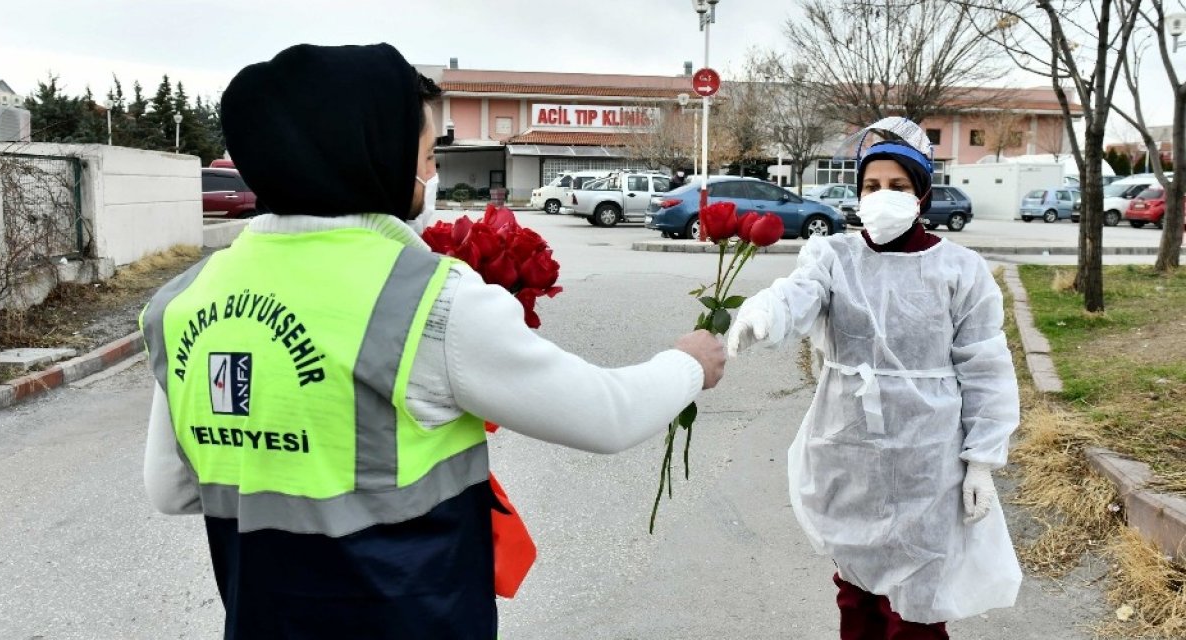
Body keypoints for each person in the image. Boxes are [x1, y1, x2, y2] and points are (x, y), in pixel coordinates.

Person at [139, 43, 725, 639]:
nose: (430, 175)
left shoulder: (180, 302)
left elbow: (170, 490)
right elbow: (607, 415)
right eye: (424, 155)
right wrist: (689, 364)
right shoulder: (428, 297)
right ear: (372, 156)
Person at [726, 118, 1021, 639]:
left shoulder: (960, 270)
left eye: (898, 187)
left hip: (927, 456)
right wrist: (766, 311)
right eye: (871, 186)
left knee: (918, 601)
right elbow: (800, 291)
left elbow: (984, 365)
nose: (883, 196)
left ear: (922, 194)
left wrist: (981, 461)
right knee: (856, 588)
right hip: (848, 449)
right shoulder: (834, 256)